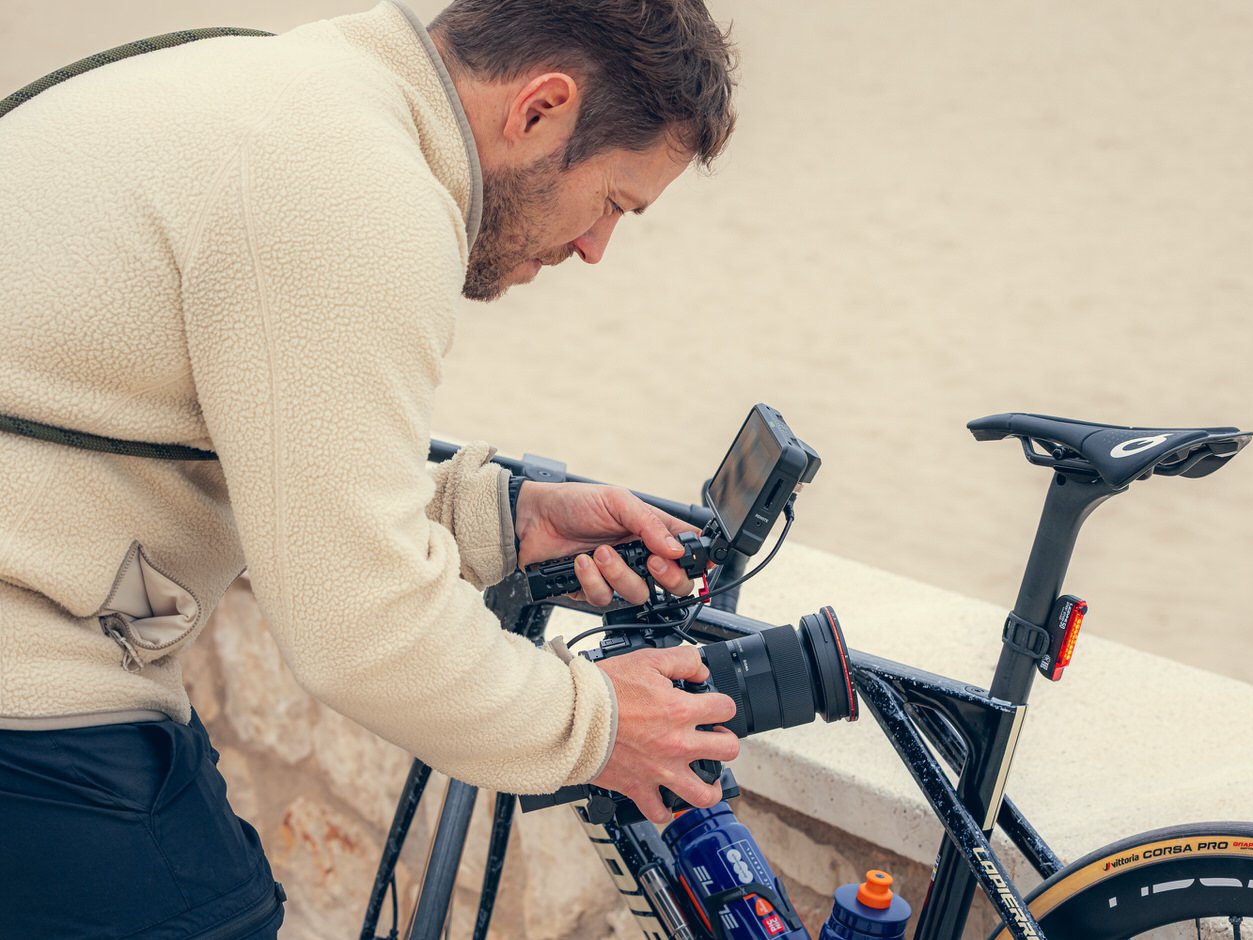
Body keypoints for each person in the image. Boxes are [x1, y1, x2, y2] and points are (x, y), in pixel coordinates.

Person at [0, 0, 739, 935]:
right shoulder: (355, 189)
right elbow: (360, 626)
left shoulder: (292, 93)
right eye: (613, 204)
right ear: (542, 108)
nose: (596, 249)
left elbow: (271, 444)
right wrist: (598, 726)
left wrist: (499, 517)